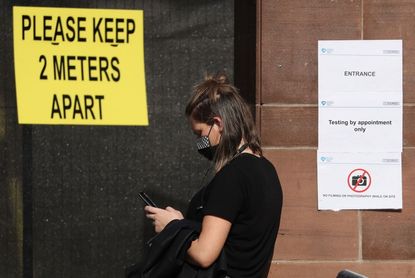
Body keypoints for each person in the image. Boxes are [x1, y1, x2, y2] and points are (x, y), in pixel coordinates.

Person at [144, 73, 283, 278]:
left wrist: (172, 229)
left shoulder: (233, 175)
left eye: (199, 134)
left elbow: (204, 254)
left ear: (218, 123)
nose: (199, 142)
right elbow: (239, 241)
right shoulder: (267, 170)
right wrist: (183, 225)